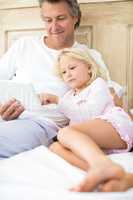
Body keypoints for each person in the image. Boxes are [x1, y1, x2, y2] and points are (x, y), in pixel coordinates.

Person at [0, 0, 124, 158]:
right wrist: (2, 109)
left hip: (43, 124)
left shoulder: (89, 57)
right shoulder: (24, 45)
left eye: (60, 18)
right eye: (48, 20)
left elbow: (109, 99)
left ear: (75, 17)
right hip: (8, 119)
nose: (53, 27)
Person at [39, 47, 133, 192]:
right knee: (55, 147)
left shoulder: (98, 85)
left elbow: (89, 114)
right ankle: (112, 174)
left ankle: (103, 166)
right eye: (64, 72)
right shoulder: (69, 96)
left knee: (64, 133)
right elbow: (76, 123)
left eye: (72, 68)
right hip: (96, 138)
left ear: (89, 67)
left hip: (115, 126)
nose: (68, 74)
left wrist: (58, 101)